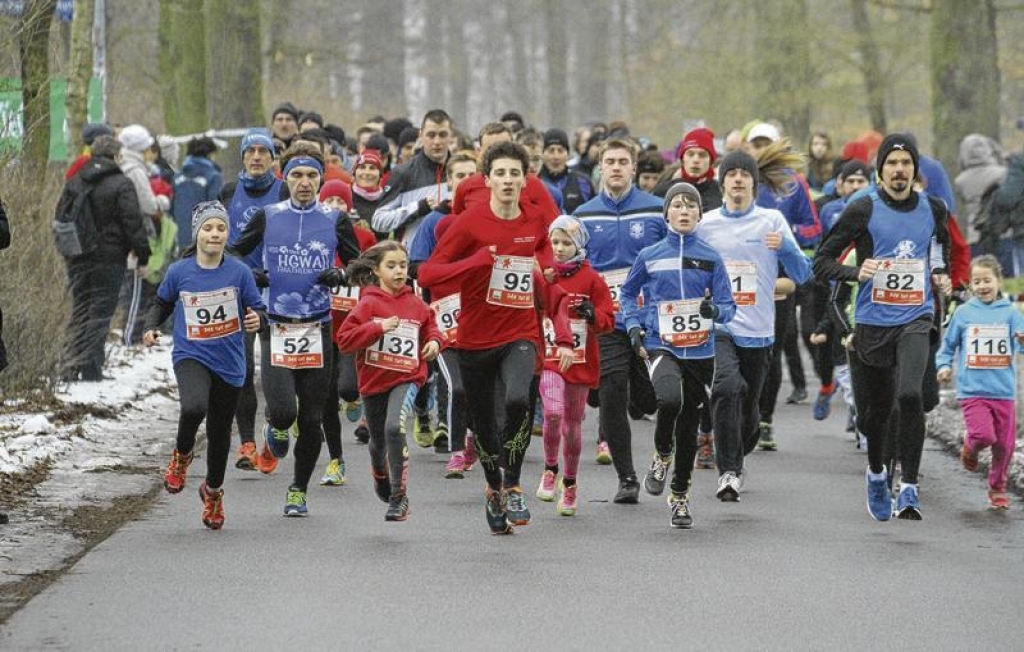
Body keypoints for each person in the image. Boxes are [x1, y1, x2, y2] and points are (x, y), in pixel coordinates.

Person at [418, 140, 574, 534]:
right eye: (500, 173)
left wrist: (545, 268)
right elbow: (428, 274)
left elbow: (545, 252)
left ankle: (515, 484)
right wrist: (474, 262)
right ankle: (493, 487)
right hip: (474, 338)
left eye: (514, 173)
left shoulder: (536, 219)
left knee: (519, 398)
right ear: (487, 180)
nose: (507, 180)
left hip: (521, 331)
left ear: (525, 180)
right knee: (485, 425)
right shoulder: (469, 222)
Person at [814, 133, 951, 522]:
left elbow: (941, 248)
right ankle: (877, 473)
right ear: (880, 170)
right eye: (891, 163)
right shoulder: (863, 209)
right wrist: (857, 271)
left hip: (916, 316)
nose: (899, 169)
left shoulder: (933, 208)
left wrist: (941, 274)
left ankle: (908, 486)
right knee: (875, 413)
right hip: (873, 321)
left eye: (906, 162)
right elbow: (822, 261)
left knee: (909, 395)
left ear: (914, 169)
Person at [231, 150, 361, 516]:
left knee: (312, 419)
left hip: (318, 325)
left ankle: (298, 490)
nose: (304, 182)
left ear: (320, 179)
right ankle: (275, 429)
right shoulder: (268, 216)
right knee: (285, 411)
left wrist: (341, 275)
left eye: (311, 176)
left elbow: (358, 263)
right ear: (284, 179)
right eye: (296, 175)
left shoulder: (335, 219)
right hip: (276, 323)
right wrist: (253, 276)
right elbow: (235, 252)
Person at [697, 150, 812, 501]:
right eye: (730, 173)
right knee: (725, 388)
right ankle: (729, 472)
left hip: (759, 330)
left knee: (749, 413)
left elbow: (804, 274)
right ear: (722, 183)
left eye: (743, 174)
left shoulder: (772, 221)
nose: (737, 179)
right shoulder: (706, 224)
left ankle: (739, 447)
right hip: (719, 326)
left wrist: (787, 252)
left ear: (754, 183)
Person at [144, 201, 266, 530]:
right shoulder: (180, 271)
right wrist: (151, 327)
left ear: (228, 234)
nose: (214, 234)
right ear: (197, 232)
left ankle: (213, 492)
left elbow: (258, 309)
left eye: (221, 228)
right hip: (191, 355)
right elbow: (162, 302)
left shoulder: (239, 272)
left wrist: (257, 319)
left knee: (219, 432)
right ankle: (181, 457)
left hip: (230, 361)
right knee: (194, 406)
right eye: (208, 228)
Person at [622, 182, 736, 527]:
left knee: (688, 428)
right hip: (661, 343)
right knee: (669, 401)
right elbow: (628, 294)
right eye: (677, 206)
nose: (684, 211)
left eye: (691, 207)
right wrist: (634, 326)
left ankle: (680, 496)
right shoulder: (650, 255)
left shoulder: (711, 256)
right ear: (666, 213)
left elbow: (728, 307)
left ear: (700, 214)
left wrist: (712, 310)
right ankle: (660, 456)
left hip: (700, 351)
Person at [573, 137, 665, 503]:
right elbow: (575, 266)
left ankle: (661, 454)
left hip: (651, 319)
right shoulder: (584, 215)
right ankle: (626, 478)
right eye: (609, 161)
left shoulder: (657, 210)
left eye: (622, 161)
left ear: (634, 167)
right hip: (607, 319)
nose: (615, 167)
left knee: (650, 398)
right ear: (600, 167)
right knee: (612, 393)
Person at [336, 242, 443, 521]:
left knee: (395, 427)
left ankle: (399, 496)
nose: (399, 271)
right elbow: (345, 341)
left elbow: (432, 328)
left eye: (403, 266)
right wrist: (377, 327)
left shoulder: (416, 304)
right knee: (377, 441)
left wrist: (433, 342)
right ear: (376, 270)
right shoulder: (368, 303)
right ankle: (379, 472)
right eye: (391, 266)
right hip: (373, 382)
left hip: (407, 377)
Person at [534, 215, 614, 516]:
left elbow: (608, 322)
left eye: (566, 243)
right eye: (554, 242)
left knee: (573, 425)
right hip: (550, 357)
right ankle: (550, 468)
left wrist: (592, 314)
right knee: (552, 413)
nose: (559, 248)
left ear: (579, 245)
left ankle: (570, 484)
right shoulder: (542, 275)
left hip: (580, 360)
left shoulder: (592, 279)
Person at [218, 128, 286, 472]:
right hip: (240, 288)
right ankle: (246, 443)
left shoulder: (284, 190)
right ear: (243, 157)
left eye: (263, 151)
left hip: (279, 288)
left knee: (276, 368)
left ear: (273, 158)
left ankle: (274, 432)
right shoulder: (230, 191)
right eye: (250, 151)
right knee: (241, 367)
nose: (257, 157)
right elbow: (222, 239)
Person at [59, 136, 151, 382]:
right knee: (101, 311)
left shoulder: (76, 180)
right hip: (110, 257)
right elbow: (133, 222)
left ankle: (70, 365)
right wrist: (143, 254)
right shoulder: (121, 183)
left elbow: (61, 216)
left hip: (77, 256)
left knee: (80, 308)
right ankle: (91, 369)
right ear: (116, 156)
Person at [936, 255, 1023, 510]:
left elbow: (1021, 344)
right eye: (977, 281)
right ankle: (970, 448)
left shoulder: (1011, 313)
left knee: (1005, 446)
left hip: (1003, 391)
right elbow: (947, 347)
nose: (982, 286)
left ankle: (997, 488)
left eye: (987, 280)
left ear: (999, 281)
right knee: (983, 434)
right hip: (972, 389)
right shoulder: (963, 313)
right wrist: (942, 367)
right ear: (970, 284)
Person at [320, 179, 378, 484]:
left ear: (349, 207)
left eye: (340, 203)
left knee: (347, 387)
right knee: (327, 395)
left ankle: (353, 400)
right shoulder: (313, 235)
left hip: (351, 325)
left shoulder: (363, 236)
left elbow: (369, 270)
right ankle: (335, 459)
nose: (334, 208)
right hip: (321, 325)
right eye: (328, 202)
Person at [371, 109, 453, 247]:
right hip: (415, 260)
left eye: (442, 135)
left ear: (451, 135)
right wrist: (417, 208)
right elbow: (378, 221)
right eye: (431, 135)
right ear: (420, 136)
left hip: (454, 257)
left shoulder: (463, 171)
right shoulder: (403, 173)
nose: (437, 141)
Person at [652, 127, 722, 212]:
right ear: (682, 159)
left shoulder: (721, 192)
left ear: (711, 161)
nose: (696, 160)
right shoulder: (664, 191)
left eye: (702, 155)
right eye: (690, 154)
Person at [172, 137, 224, 250]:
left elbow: (172, 209)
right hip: (206, 242)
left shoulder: (177, 177)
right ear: (210, 155)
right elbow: (214, 210)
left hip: (181, 239)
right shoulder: (213, 177)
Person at [538, 128, 594, 213]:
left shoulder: (583, 182)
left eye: (560, 150)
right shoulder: (534, 181)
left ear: (567, 154)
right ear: (542, 154)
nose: (556, 157)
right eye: (551, 150)